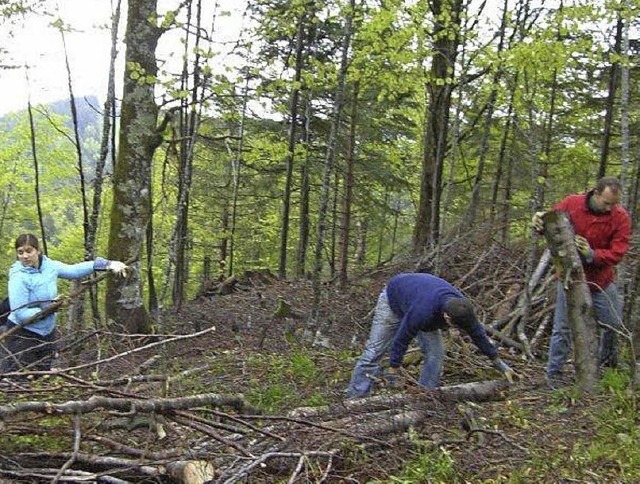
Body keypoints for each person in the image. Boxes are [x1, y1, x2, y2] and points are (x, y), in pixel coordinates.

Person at [345, 272, 514, 399]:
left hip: (420, 298)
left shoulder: (463, 309)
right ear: (446, 317)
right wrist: (393, 370)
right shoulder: (422, 312)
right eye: (452, 325)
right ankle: (355, 398)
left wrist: (499, 364)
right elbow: (402, 338)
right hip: (393, 299)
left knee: (436, 353)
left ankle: (425, 395)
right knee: (374, 351)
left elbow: (479, 335)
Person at [532, 177, 631, 385]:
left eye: (614, 203)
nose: (610, 208)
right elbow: (551, 223)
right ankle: (554, 375)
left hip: (601, 280)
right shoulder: (572, 204)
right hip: (570, 278)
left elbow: (617, 253)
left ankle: (606, 367)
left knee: (613, 324)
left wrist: (592, 254)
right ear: (595, 193)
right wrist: (539, 222)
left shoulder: (620, 217)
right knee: (563, 327)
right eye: (606, 203)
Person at [0, 233, 128, 373]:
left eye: (29, 251)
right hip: (22, 334)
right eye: (20, 252)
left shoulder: (49, 266)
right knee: (19, 379)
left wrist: (105, 264)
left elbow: (73, 270)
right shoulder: (18, 276)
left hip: (47, 332)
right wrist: (50, 308)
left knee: (43, 376)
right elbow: (20, 313)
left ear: (38, 250)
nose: (25, 256)